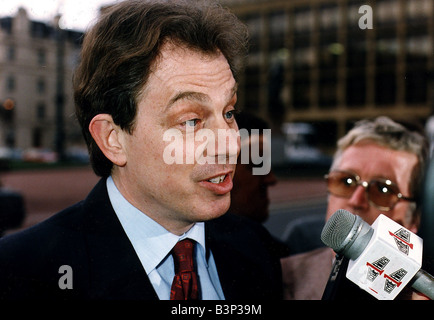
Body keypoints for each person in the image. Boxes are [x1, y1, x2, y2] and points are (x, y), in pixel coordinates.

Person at [0, 0, 282, 300]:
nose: (230, 142)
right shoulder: (19, 274)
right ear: (112, 139)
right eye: (191, 121)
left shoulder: (256, 248)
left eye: (228, 112)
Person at [281, 116, 430, 300]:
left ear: (414, 218)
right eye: (345, 181)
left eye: (382, 190)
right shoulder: (278, 279)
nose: (356, 200)